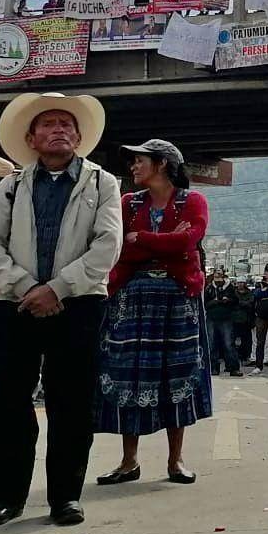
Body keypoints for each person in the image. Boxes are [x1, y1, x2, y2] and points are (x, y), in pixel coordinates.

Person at [0, 94, 122, 527]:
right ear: (31, 138)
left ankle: (65, 497)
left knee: (71, 402)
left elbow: (106, 245)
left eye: (67, 124)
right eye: (48, 124)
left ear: (79, 136)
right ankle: (5, 497)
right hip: (14, 304)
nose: (59, 129)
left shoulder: (102, 183)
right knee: (7, 402)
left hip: (79, 304)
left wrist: (56, 288)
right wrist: (26, 287)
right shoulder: (12, 184)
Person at [94, 138, 210, 486]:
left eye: (140, 160)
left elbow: (188, 241)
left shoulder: (193, 201)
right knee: (129, 373)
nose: (133, 167)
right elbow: (119, 250)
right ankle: (128, 461)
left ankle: (176, 461)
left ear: (161, 164)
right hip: (132, 299)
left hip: (178, 298)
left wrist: (140, 238)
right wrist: (159, 242)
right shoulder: (128, 203)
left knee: (177, 373)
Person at [205, 269, 243, 378]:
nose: (218, 281)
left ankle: (233, 368)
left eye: (220, 278)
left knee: (229, 343)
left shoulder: (230, 288)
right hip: (212, 318)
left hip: (226, 318)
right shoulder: (209, 288)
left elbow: (236, 302)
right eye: (216, 278)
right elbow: (205, 303)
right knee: (212, 344)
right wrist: (214, 301)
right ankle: (213, 367)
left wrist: (228, 300)